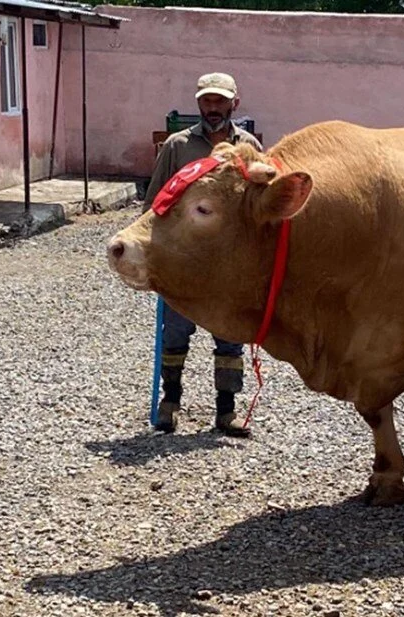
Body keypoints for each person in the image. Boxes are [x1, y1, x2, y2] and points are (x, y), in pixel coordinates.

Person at [141, 72, 263, 438]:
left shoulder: (249, 147)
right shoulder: (177, 147)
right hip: (184, 259)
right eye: (207, 101)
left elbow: (259, 206)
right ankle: (170, 403)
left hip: (229, 262)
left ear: (234, 103)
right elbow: (154, 204)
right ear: (198, 103)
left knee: (230, 334)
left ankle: (226, 412)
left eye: (220, 101)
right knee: (175, 332)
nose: (213, 108)